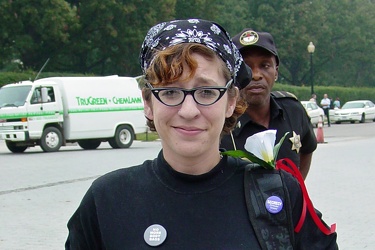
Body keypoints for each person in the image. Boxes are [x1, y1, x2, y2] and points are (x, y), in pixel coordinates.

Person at [65, 19, 337, 249]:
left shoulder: (278, 194)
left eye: (206, 92)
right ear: (148, 103)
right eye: (170, 91)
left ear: (231, 101)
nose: (189, 110)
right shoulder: (107, 201)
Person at [220, 28, 317, 180]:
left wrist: (296, 188)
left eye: (265, 66)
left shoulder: (293, 110)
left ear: (276, 72)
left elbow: (308, 148)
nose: (257, 75)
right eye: (246, 67)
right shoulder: (221, 121)